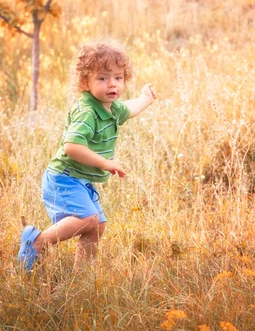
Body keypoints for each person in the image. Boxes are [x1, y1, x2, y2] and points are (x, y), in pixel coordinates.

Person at [18, 41, 157, 271]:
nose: (112, 84)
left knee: (97, 226)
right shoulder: (87, 111)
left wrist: (146, 99)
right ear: (85, 82)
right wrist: (106, 163)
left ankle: (80, 276)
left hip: (79, 179)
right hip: (63, 177)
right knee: (88, 219)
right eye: (102, 78)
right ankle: (37, 242)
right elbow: (72, 146)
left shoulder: (109, 106)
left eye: (118, 78)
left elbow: (129, 109)